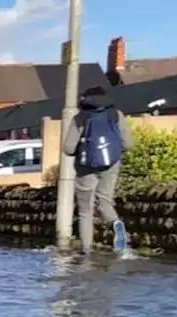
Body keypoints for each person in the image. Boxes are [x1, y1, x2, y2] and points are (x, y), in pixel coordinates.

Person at [63, 85, 134, 255]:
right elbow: (128, 143)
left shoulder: (80, 118)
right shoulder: (116, 114)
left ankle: (86, 250)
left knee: (85, 209)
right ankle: (115, 223)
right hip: (111, 163)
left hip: (86, 167)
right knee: (104, 201)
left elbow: (68, 148)